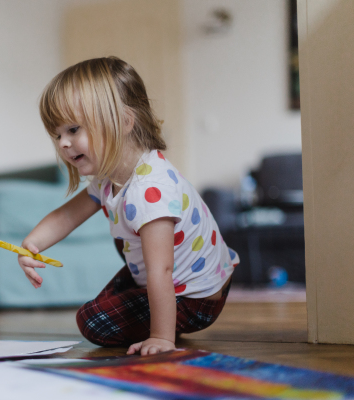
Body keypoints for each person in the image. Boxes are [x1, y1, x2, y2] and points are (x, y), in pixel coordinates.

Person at [18, 57, 239, 355]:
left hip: (194, 299)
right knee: (115, 268)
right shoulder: (112, 176)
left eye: (72, 130)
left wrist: (161, 338)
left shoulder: (150, 190)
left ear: (123, 121)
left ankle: (168, 325)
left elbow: (161, 270)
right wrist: (32, 244)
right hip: (165, 277)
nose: (62, 144)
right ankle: (157, 318)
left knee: (91, 321)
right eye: (57, 135)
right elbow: (68, 215)